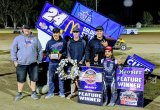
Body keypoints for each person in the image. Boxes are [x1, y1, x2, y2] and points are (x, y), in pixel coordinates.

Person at [10, 25, 42, 101]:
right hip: (21, 63)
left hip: (33, 63)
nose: (27, 30)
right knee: (20, 79)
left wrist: (39, 60)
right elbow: (13, 50)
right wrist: (15, 60)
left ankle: (33, 93)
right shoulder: (18, 38)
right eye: (25, 29)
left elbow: (40, 49)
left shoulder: (35, 39)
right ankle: (19, 93)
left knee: (33, 79)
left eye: (28, 29)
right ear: (23, 30)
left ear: (30, 29)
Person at [45, 28, 67, 99]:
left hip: (60, 63)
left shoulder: (63, 42)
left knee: (61, 78)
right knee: (51, 78)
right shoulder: (49, 42)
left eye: (57, 33)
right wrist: (49, 55)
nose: (55, 34)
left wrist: (61, 54)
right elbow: (47, 51)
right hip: (52, 63)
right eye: (54, 33)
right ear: (52, 33)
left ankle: (62, 92)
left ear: (59, 33)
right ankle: (51, 92)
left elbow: (65, 52)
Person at [66, 27, 86, 99]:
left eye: (77, 32)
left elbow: (85, 52)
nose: (75, 33)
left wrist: (82, 60)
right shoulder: (69, 42)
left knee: (81, 78)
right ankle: (72, 93)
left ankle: (82, 93)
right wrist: (70, 60)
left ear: (79, 33)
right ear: (72, 33)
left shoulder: (83, 42)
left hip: (81, 64)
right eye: (74, 32)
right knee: (73, 79)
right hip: (72, 64)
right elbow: (68, 53)